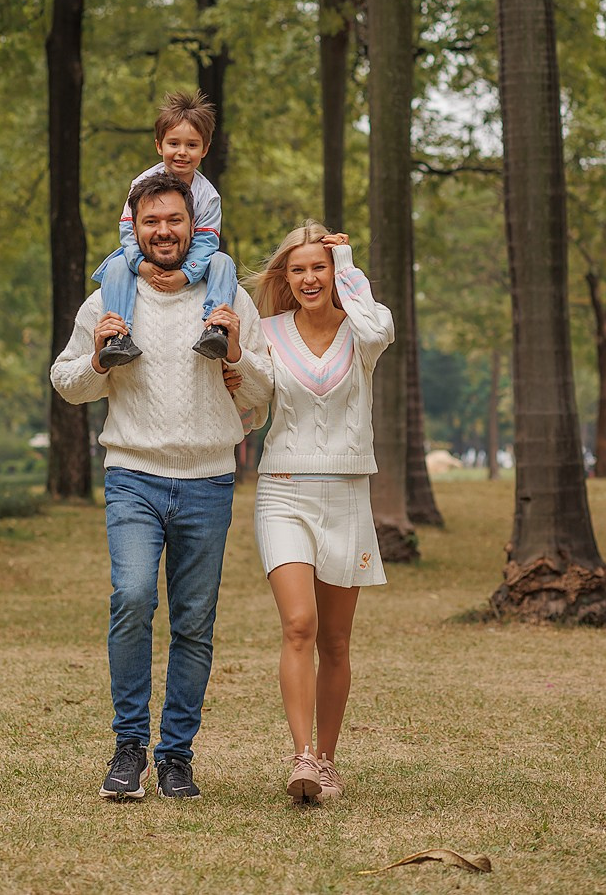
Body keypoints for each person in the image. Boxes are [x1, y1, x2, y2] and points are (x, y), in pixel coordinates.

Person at [50, 171, 273, 802]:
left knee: (195, 623)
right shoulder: (109, 300)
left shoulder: (227, 300)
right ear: (135, 226)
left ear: (192, 224)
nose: (163, 232)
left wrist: (234, 353)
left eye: (174, 220)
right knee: (133, 596)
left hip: (208, 481)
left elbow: (262, 392)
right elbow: (66, 381)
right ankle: (129, 748)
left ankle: (176, 756)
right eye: (151, 222)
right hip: (134, 477)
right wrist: (96, 358)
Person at [246, 223, 393, 804]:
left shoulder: (362, 333)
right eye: (298, 269)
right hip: (283, 490)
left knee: (335, 639)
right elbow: (252, 404)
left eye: (320, 268)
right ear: (285, 277)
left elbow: (379, 323)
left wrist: (348, 260)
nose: (309, 279)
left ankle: (329, 761)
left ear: (334, 274)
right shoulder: (267, 332)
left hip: (347, 493)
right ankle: (302, 756)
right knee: (299, 624)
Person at [92, 89, 238, 368]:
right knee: (117, 267)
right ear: (159, 146)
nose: (182, 153)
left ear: (205, 149)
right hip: (147, 257)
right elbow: (128, 232)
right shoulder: (142, 184)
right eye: (174, 143)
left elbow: (206, 243)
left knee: (223, 262)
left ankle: (215, 328)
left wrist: (186, 274)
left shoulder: (208, 196)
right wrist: (140, 265)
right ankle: (118, 335)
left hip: (191, 260)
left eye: (192, 145)